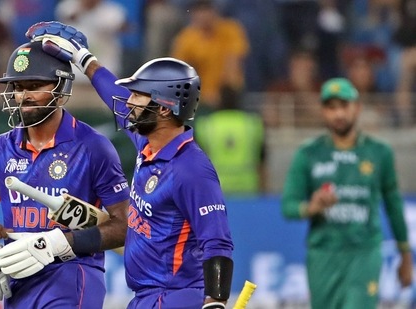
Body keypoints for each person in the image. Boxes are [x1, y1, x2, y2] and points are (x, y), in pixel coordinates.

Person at [26, 21, 235, 309]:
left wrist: (216, 302)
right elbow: (116, 99)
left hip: (175, 297)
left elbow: (218, 242)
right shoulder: (148, 142)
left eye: (138, 94)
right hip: (147, 297)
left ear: (163, 107)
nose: (130, 102)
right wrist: (85, 60)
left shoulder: (191, 169)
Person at [0, 38, 131, 308]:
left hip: (73, 277)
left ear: (61, 89)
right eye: (17, 87)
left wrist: (58, 243)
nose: (23, 96)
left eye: (35, 86)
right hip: (18, 280)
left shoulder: (93, 147)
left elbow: (125, 228)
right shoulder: (0, 148)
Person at [281, 77, 413, 309]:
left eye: (344, 106)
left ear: (357, 107)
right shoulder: (309, 153)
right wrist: (311, 208)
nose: (338, 114)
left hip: (364, 251)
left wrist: (405, 254)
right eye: (331, 107)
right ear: (323, 111)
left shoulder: (379, 152)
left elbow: (393, 205)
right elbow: (288, 206)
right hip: (323, 253)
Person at [170, 0, 249, 112]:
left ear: (215, 13)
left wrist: (225, 92)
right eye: (199, 13)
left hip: (230, 95)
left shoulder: (231, 30)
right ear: (193, 16)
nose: (204, 17)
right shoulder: (186, 39)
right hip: (200, 99)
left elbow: (233, 62)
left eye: (207, 11)